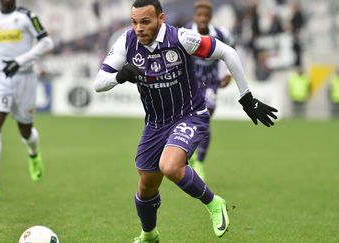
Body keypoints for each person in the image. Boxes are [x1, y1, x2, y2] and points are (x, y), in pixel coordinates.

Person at [93, 0, 277, 241]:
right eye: (135, 22)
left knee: (169, 166)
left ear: (161, 19)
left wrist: (247, 98)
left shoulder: (181, 38)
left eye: (145, 21)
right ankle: (149, 235)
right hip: (155, 124)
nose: (139, 28)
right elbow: (99, 83)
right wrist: (119, 75)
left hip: (190, 114)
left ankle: (213, 203)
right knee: (146, 185)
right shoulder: (126, 42)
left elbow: (227, 52)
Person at [0, 0, 54, 200]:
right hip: (1, 77)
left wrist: (19, 61)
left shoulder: (27, 17)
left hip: (25, 79)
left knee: (25, 131)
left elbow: (47, 42)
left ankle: (33, 152)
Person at [188, 0, 235, 180]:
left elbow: (232, 51)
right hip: (191, 81)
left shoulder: (222, 35)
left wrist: (228, 73)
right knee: (187, 119)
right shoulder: (185, 32)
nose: (202, 18)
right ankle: (189, 151)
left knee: (205, 119)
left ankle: (199, 161)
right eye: (199, 15)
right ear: (195, 16)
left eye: (205, 15)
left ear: (210, 17)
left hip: (210, 82)